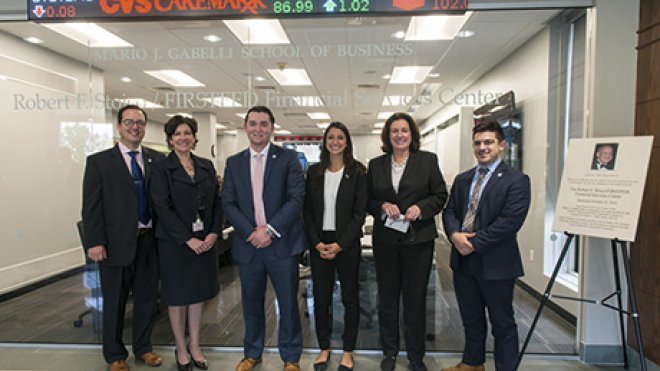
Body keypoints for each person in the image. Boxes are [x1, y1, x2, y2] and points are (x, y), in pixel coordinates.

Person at [221, 106, 306, 371]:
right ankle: (252, 353)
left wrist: (269, 230)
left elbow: (296, 199)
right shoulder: (234, 162)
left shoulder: (288, 159)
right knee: (251, 303)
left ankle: (290, 358)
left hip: (281, 245)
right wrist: (251, 232)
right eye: (253, 123)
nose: (258, 129)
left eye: (264, 124)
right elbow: (228, 202)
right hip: (249, 246)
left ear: (272, 128)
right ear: (245, 126)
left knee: (288, 304)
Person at [441, 121, 531, 371]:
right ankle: (472, 363)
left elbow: (510, 221)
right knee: (471, 319)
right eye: (478, 143)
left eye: (488, 142)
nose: (482, 147)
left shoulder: (517, 180)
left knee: (502, 323)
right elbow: (449, 211)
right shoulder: (463, 179)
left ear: (501, 145)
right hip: (463, 261)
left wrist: (474, 243)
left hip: (496, 264)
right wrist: (455, 235)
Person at [81, 105, 164, 371]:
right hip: (114, 244)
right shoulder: (99, 162)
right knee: (115, 301)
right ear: (119, 126)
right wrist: (94, 241)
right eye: (129, 122)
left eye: (139, 123)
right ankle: (115, 355)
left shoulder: (157, 159)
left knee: (146, 300)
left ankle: (143, 348)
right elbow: (91, 206)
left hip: (150, 241)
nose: (134, 127)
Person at [366, 112, 448, 371]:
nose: (399, 135)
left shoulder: (427, 161)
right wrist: (382, 205)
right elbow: (367, 199)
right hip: (386, 241)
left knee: (415, 299)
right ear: (387, 136)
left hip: (418, 241)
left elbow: (440, 195)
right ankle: (389, 351)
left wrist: (421, 209)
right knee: (387, 298)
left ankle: (416, 356)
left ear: (412, 134)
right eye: (394, 131)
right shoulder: (376, 164)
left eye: (404, 130)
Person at [150, 115, 222, 371]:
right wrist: (187, 238)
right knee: (178, 297)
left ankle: (195, 345)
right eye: (177, 134)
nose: (183, 137)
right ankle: (181, 347)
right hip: (175, 244)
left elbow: (216, 203)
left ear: (194, 137)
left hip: (204, 242)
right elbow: (162, 207)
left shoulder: (206, 165)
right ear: (170, 139)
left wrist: (214, 232)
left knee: (197, 296)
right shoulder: (160, 168)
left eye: (187, 133)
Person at [303, 122, 367, 371]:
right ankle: (324, 347)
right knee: (321, 298)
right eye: (331, 137)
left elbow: (359, 213)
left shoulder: (358, 172)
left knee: (350, 298)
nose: (336, 141)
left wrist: (340, 244)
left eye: (341, 137)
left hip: (347, 243)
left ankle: (347, 351)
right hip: (320, 241)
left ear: (347, 141)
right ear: (325, 141)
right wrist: (316, 242)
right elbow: (306, 211)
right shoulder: (315, 172)